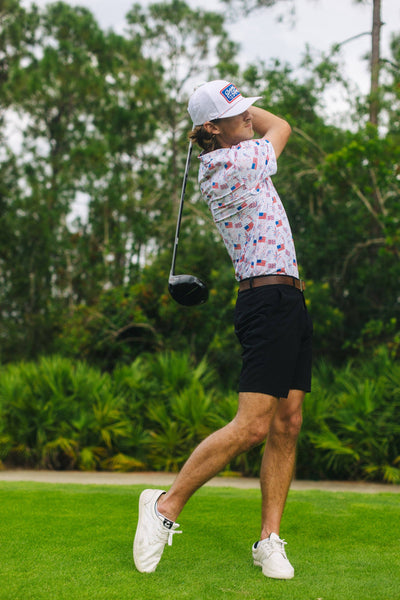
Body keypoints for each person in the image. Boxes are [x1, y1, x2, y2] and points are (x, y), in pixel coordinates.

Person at [133, 80, 313, 580]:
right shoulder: (227, 164)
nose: (250, 116)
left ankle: (268, 541)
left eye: (248, 109)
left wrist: (235, 103)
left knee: (288, 423)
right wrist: (238, 108)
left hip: (289, 298)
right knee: (254, 426)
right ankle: (164, 506)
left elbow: (263, 124)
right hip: (265, 300)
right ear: (212, 128)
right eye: (239, 113)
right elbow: (283, 127)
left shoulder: (241, 151)